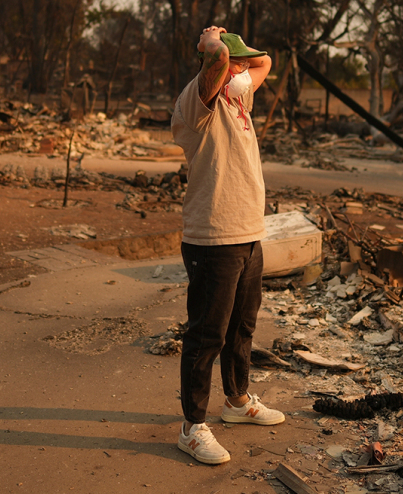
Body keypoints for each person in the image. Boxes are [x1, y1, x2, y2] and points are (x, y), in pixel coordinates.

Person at [170, 26, 282, 465]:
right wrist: (210, 42)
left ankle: (236, 401)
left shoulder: (237, 95)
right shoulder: (194, 103)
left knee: (242, 327)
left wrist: (238, 51)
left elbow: (265, 61)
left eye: (237, 65)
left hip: (248, 231)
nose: (240, 71)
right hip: (212, 236)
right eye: (233, 64)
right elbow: (217, 62)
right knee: (206, 335)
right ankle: (192, 427)